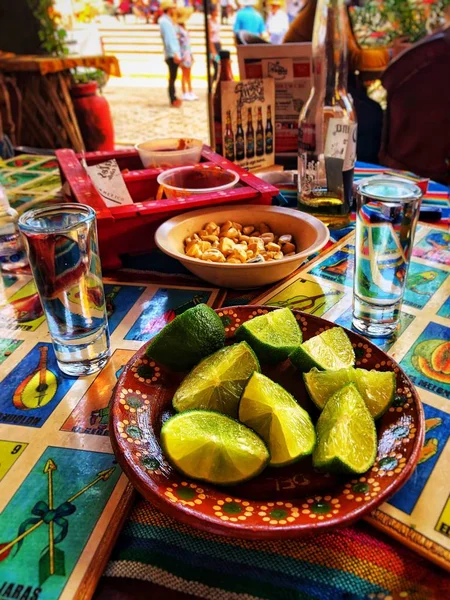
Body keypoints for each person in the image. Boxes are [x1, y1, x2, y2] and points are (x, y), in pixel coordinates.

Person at [158, 0, 182, 107]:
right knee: (172, 77)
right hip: (172, 53)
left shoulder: (168, 21)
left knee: (173, 76)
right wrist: (174, 53)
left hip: (174, 51)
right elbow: (168, 39)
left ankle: (174, 97)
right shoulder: (164, 22)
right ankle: (172, 98)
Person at [176, 7, 198, 100]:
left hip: (187, 52)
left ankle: (190, 91)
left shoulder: (183, 28)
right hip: (183, 53)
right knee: (184, 73)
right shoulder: (178, 29)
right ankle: (185, 92)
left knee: (188, 73)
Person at [209, 6, 222, 80]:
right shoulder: (209, 22)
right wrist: (213, 50)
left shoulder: (216, 21)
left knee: (219, 65)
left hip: (218, 44)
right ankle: (212, 82)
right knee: (215, 65)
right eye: (216, 11)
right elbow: (210, 37)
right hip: (213, 45)